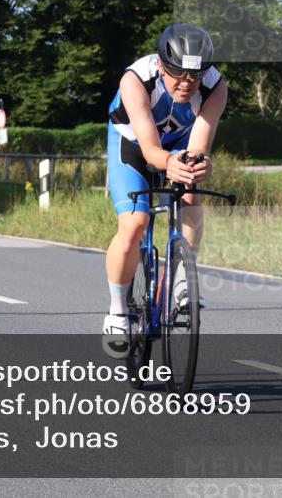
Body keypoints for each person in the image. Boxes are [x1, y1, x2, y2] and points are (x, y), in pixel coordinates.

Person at [102, 24, 228, 358]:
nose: (187, 84)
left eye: (195, 76)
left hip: (176, 145)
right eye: (178, 75)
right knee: (134, 223)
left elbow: (198, 145)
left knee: (190, 188)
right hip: (131, 144)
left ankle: (184, 277)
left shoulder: (216, 88)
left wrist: (198, 164)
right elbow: (149, 149)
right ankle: (117, 311)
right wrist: (168, 162)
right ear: (161, 65)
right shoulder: (135, 80)